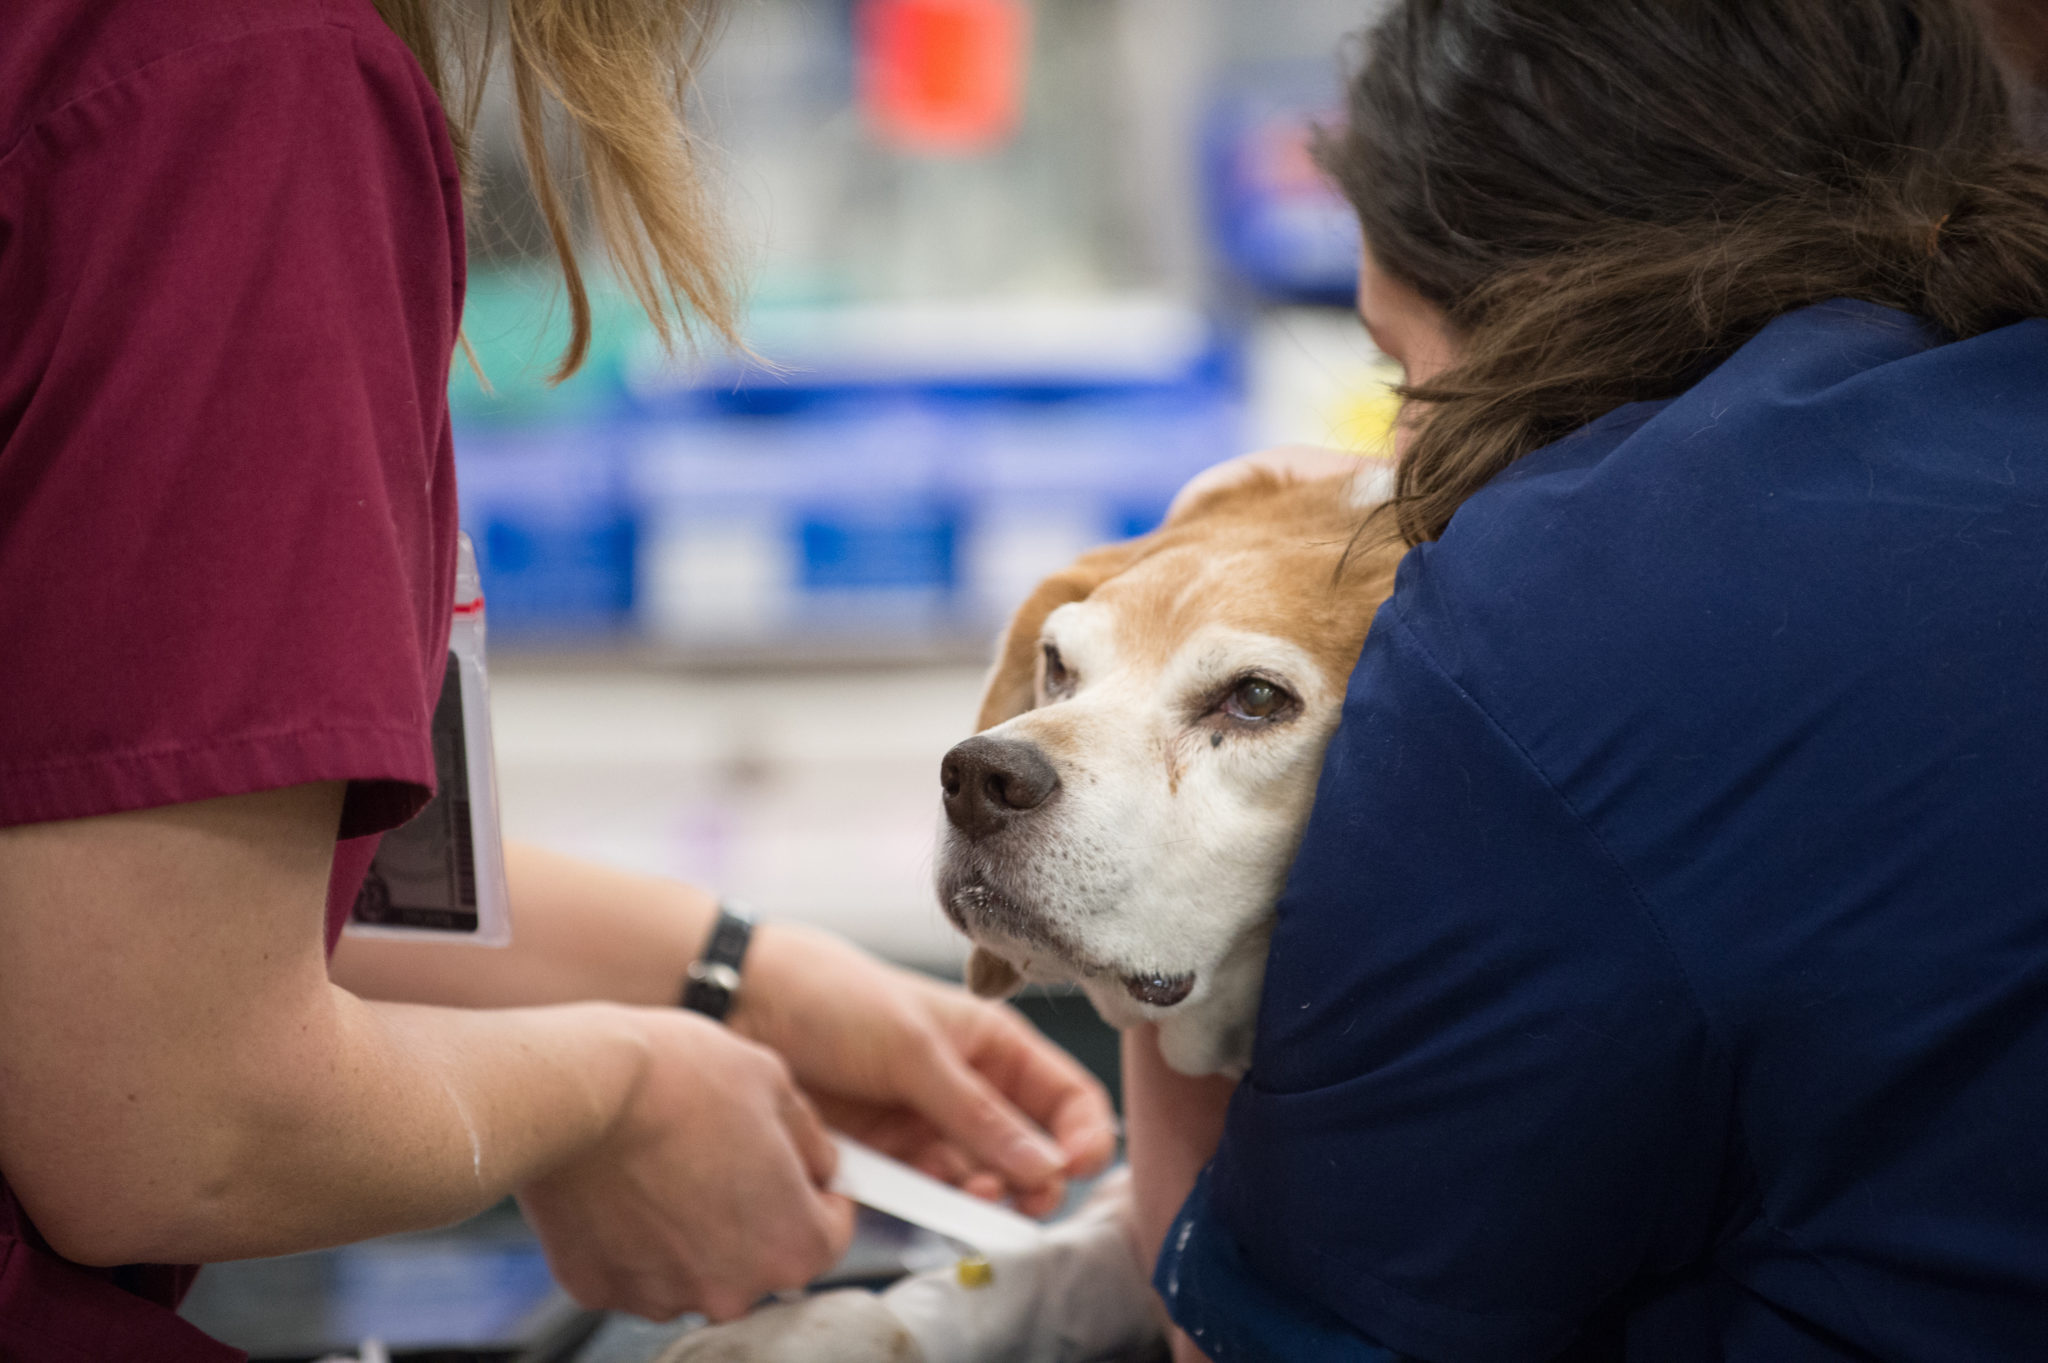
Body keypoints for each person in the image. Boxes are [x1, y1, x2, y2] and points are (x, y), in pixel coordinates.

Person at [0, 1, 1115, 1358]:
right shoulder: (241, 71)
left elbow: (114, 877)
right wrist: (612, 1095)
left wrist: (723, 980)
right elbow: (172, 1119)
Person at [1123, 1, 2048, 1360]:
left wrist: (1155, 934)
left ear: (1528, 302)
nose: (1401, 444)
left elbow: (1259, 1342)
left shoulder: (1532, 632)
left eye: (1401, 368)